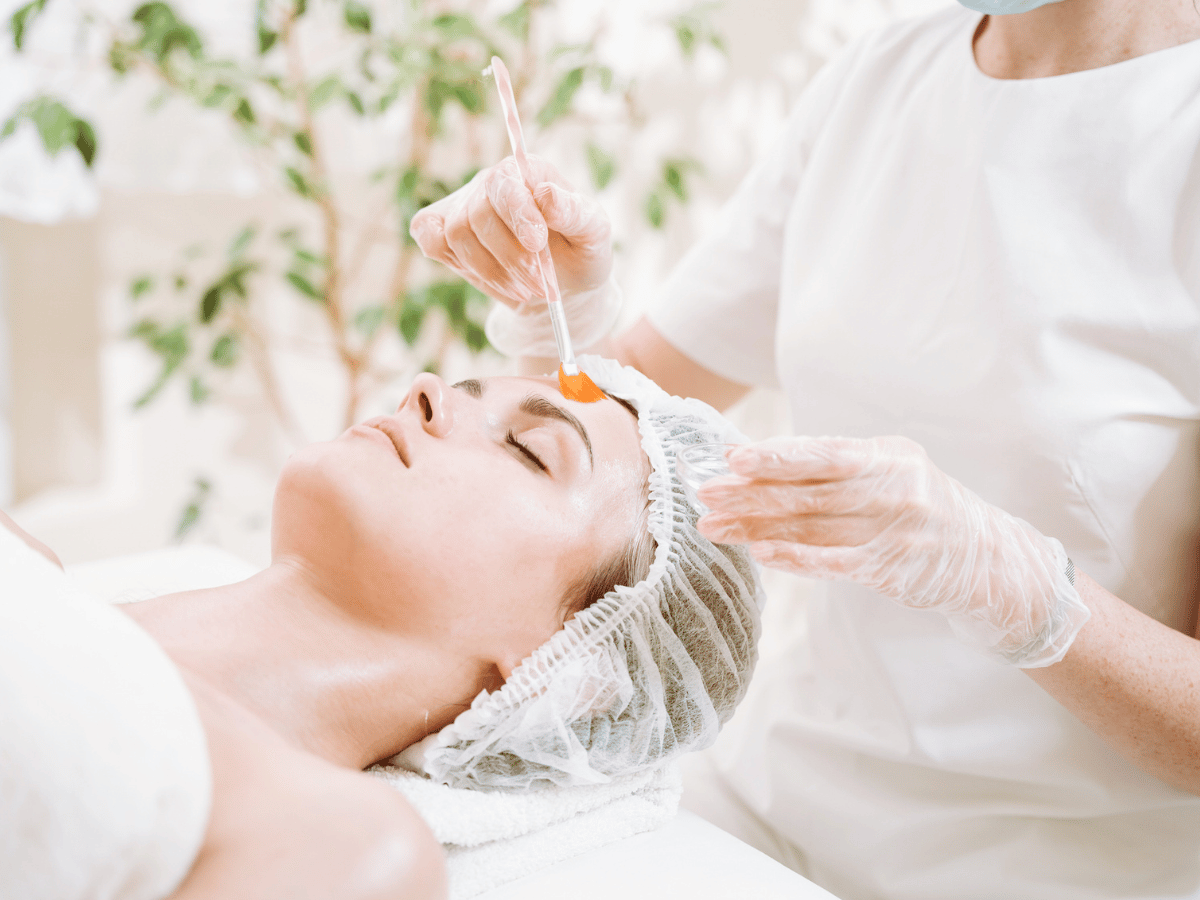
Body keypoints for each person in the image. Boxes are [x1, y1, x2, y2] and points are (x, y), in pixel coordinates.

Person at [407, 1, 1200, 897]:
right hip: (764, 807)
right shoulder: (886, 76)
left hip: (1054, 869)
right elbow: (625, 420)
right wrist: (563, 304)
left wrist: (1019, 589)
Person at [0, 358, 763, 900]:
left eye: (529, 450)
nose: (427, 390)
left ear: (573, 672)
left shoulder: (341, 845)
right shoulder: (33, 568)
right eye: (465, 388)